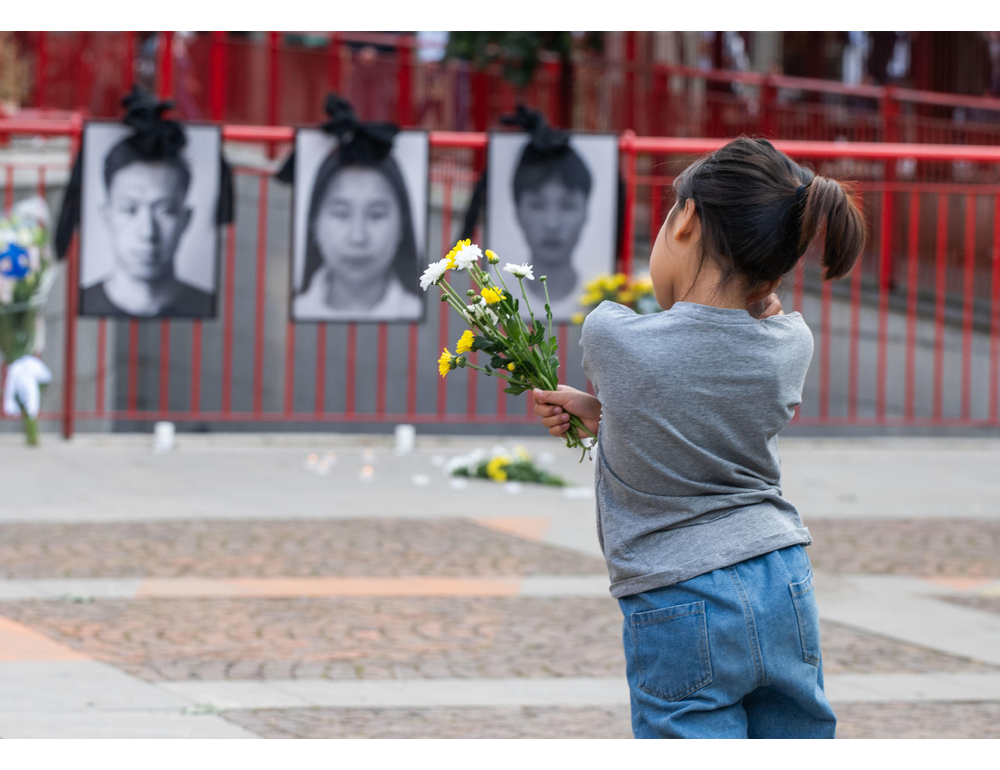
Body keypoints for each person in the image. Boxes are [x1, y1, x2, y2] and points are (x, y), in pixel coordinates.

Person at [532, 137, 865, 739]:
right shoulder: (792, 344)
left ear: (684, 219)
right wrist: (610, 414)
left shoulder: (611, 334)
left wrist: (611, 404)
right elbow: (704, 398)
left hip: (677, 592)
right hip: (780, 574)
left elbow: (667, 361)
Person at [81, 137, 211, 317]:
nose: (148, 232)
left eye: (164, 210)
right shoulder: (82, 300)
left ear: (186, 219)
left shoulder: (206, 305)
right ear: (106, 216)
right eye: (130, 209)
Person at [293, 148, 422, 321]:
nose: (358, 237)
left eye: (376, 215)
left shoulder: (413, 311)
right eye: (341, 213)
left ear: (402, 226)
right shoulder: (300, 307)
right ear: (314, 224)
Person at [511, 139, 592, 320]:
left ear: (586, 211)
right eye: (537, 205)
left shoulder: (602, 298)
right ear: (517, 211)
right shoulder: (499, 296)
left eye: (568, 205)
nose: (552, 224)